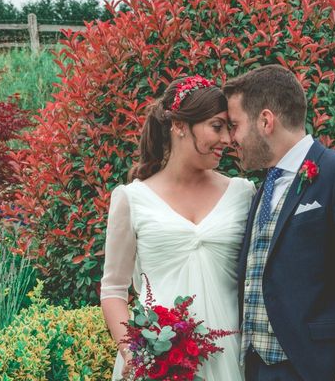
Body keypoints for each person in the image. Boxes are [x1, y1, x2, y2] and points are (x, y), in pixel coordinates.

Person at [224, 65, 335, 381]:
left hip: (319, 369)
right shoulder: (262, 187)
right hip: (258, 370)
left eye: (234, 126)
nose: (229, 139)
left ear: (266, 121)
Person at [100, 75, 255, 380]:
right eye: (216, 126)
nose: (227, 140)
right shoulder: (132, 199)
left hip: (227, 354)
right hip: (156, 362)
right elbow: (114, 288)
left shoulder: (243, 194)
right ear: (181, 126)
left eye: (229, 128)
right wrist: (132, 350)